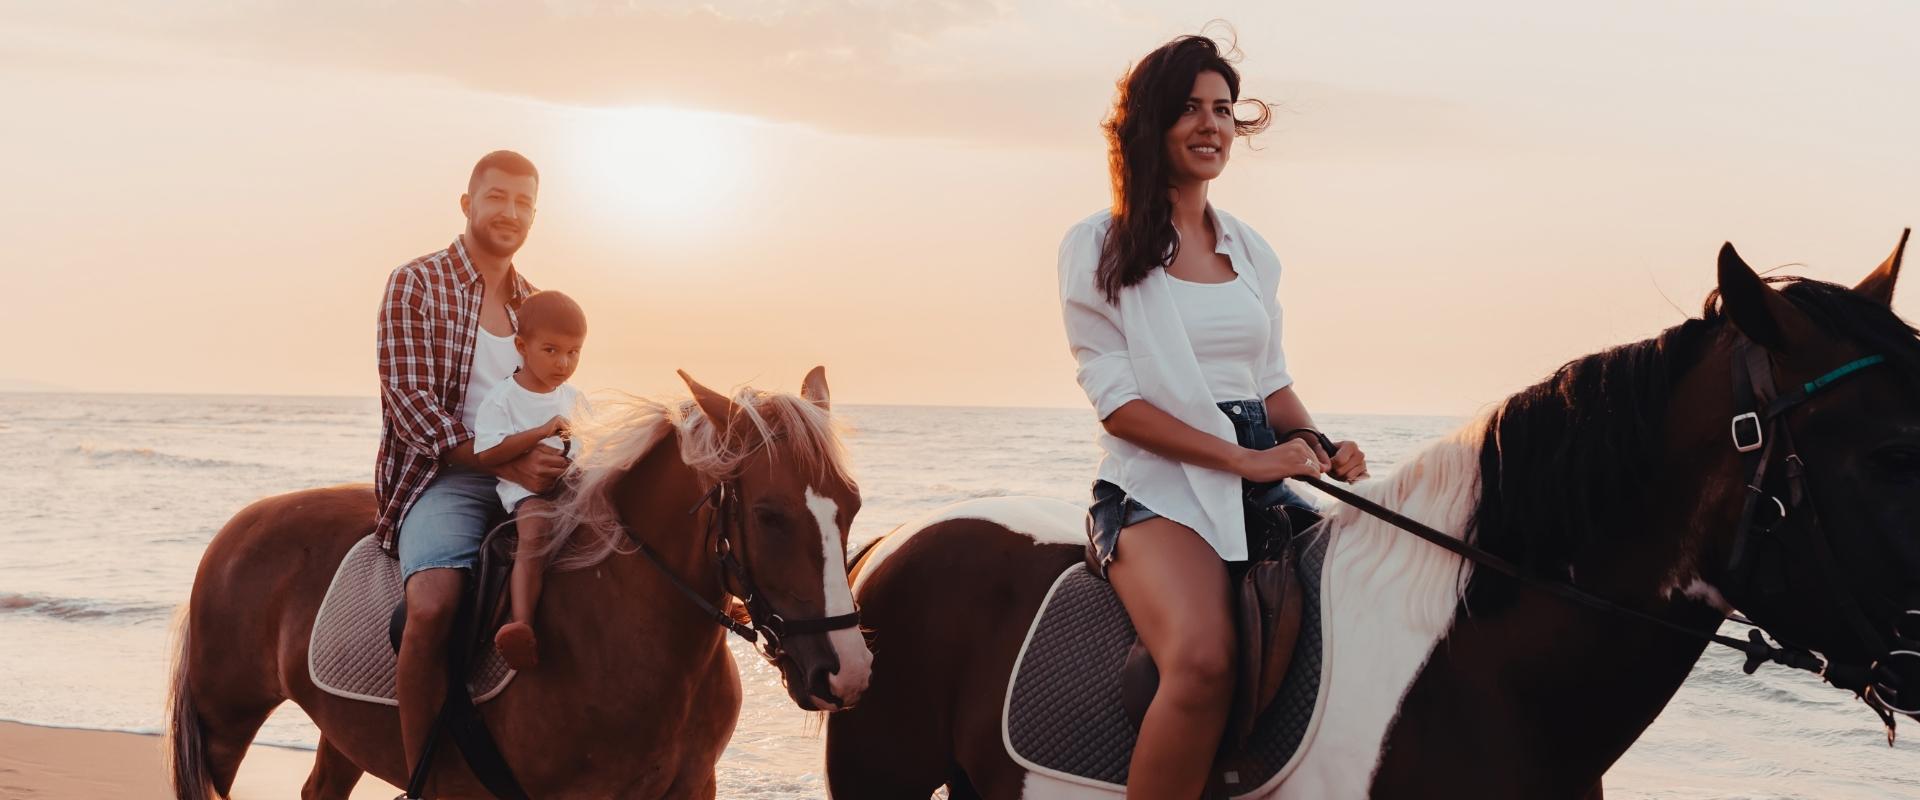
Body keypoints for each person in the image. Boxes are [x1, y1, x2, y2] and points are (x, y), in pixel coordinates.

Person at [1056, 33, 1370, 798]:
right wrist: (1247, 460)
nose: (1211, 126)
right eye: (1190, 109)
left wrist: (1316, 443)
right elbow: (1121, 409)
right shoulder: (1096, 246)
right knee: (1202, 662)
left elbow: (1270, 385)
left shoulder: (1253, 251)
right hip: (1156, 492)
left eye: (1223, 110)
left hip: (1258, 480)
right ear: (1151, 125)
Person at [374, 150, 570, 775]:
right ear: (468, 203)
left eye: (524, 202)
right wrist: (506, 466)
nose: (509, 212)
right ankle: (421, 781)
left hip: (532, 476)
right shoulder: (416, 284)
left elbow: (559, 397)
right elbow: (411, 404)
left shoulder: (539, 305)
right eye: (497, 197)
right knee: (431, 605)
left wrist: (560, 456)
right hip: (447, 478)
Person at [472, 290, 588, 671]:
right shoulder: (502, 398)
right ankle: (520, 623)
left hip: (575, 489)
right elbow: (486, 454)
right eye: (551, 350)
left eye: (573, 352)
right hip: (527, 494)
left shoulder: (574, 397)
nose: (563, 363)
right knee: (535, 528)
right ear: (522, 346)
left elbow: (595, 447)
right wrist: (540, 431)